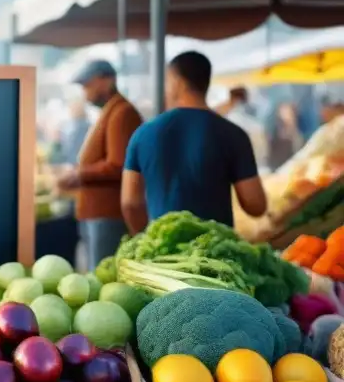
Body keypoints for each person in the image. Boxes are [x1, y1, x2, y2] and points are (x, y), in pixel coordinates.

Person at [121, 51, 267, 234]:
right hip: (215, 252)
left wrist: (145, 238)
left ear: (177, 82)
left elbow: (130, 202)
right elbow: (256, 205)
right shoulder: (234, 135)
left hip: (163, 255)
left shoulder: (143, 134)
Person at [57, 60, 142, 270]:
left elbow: (117, 164)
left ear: (107, 80)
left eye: (88, 85)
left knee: (104, 275)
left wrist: (79, 175)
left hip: (108, 213)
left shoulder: (122, 112)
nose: (85, 93)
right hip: (97, 212)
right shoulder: (111, 111)